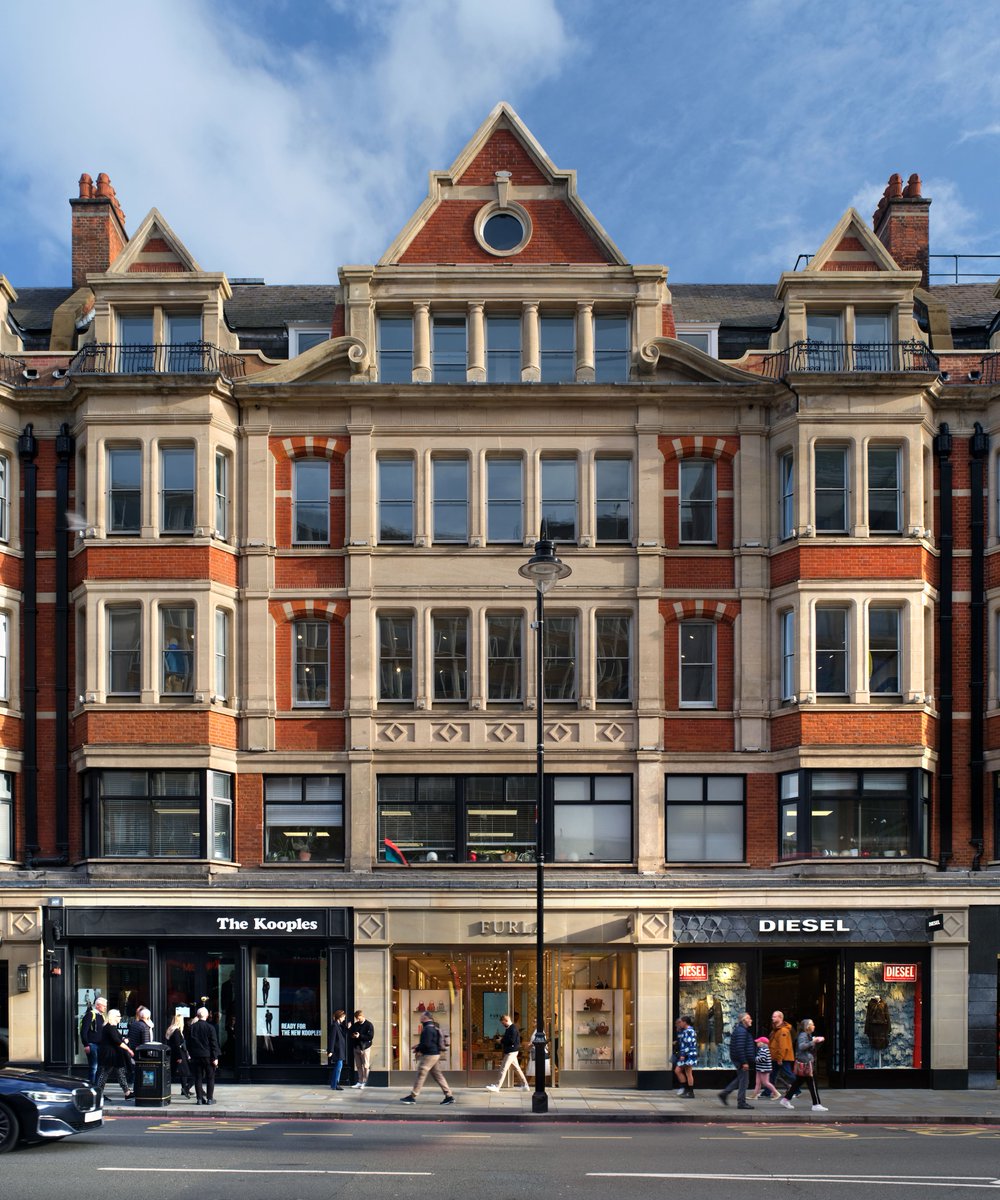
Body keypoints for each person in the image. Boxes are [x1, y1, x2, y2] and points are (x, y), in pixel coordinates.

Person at [400, 1011, 454, 1105]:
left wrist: (418, 1049)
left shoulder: (427, 1029)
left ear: (425, 1018)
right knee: (438, 1075)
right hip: (435, 1054)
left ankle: (412, 1096)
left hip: (429, 1055)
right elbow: (430, 1042)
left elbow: (427, 1044)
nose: (420, 1018)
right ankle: (449, 1096)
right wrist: (418, 1046)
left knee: (421, 1073)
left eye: (421, 1016)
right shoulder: (433, 1027)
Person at [780, 1018, 828, 1112]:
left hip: (806, 1062)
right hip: (806, 1063)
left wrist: (818, 1041)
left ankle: (785, 1100)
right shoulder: (803, 1035)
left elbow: (811, 1048)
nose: (814, 1026)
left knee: (798, 1083)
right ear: (807, 1026)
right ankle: (816, 1104)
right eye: (812, 1024)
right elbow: (801, 1046)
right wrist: (814, 1041)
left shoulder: (807, 1035)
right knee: (812, 1084)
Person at [94, 1008, 134, 1102]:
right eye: (119, 1016)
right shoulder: (109, 1027)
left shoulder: (111, 1027)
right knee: (104, 1074)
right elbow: (116, 1041)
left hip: (115, 1055)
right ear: (113, 1017)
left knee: (120, 1073)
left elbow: (117, 1038)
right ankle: (98, 1094)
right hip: (109, 1055)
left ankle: (127, 1093)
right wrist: (129, 1049)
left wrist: (123, 1039)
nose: (120, 1018)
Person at [718, 1011, 755, 1109]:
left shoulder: (741, 1030)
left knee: (741, 1079)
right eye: (749, 1018)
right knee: (744, 1082)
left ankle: (724, 1094)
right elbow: (740, 1048)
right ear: (744, 1020)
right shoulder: (741, 1031)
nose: (751, 1020)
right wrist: (744, 1062)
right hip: (741, 1060)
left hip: (740, 1059)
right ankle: (741, 1102)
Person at [486, 1013, 530, 1093]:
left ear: (506, 1020)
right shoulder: (510, 1028)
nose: (503, 1025)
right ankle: (525, 1085)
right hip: (512, 1051)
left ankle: (497, 1086)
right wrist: (502, 1039)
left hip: (511, 1052)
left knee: (503, 1068)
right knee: (517, 1069)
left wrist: (501, 1040)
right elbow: (509, 1039)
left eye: (503, 1023)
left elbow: (511, 1040)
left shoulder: (512, 1028)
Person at [187, 1005, 221, 1105]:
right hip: (208, 1056)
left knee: (198, 1077)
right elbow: (214, 1043)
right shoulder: (210, 1028)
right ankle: (210, 1099)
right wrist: (215, 1057)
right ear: (206, 1016)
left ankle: (199, 1099)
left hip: (196, 1056)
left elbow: (188, 1043)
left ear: (197, 1016)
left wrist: (191, 1054)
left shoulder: (192, 1027)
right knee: (210, 1077)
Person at [164, 1013, 193, 1098]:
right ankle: (184, 1089)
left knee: (176, 1072)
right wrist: (179, 1057)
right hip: (179, 1054)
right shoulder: (176, 1031)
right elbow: (177, 1045)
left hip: (175, 1054)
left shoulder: (171, 1030)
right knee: (184, 1072)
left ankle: (184, 1089)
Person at [80, 995, 107, 1087]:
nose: (105, 1007)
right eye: (104, 1006)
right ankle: (91, 1088)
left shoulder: (102, 1016)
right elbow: (83, 1031)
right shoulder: (90, 1015)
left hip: (100, 1046)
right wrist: (86, 1044)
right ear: (98, 1005)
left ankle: (97, 1087)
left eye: (105, 1006)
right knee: (93, 1067)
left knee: (99, 1068)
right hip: (92, 1045)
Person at [768, 1010, 796, 1092]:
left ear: (780, 1018)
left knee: (789, 1074)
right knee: (772, 1075)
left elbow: (783, 1046)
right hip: (776, 1057)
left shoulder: (783, 1030)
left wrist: (780, 1058)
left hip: (782, 1057)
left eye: (774, 1016)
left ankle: (797, 1090)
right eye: (772, 1016)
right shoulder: (776, 1029)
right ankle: (767, 1092)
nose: (772, 1018)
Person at [673, 1014, 697, 1098]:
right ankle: (688, 1090)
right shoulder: (685, 1030)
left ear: (685, 1022)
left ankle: (689, 1091)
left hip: (688, 1055)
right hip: (687, 1054)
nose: (681, 1023)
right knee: (685, 1072)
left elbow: (688, 1044)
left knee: (686, 1072)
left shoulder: (689, 1031)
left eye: (682, 1022)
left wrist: (683, 1054)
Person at [350, 1009, 375, 1090]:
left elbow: (370, 1037)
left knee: (366, 1065)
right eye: (356, 1018)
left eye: (358, 1018)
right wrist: (353, 1034)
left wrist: (359, 1036)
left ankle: (364, 1082)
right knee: (358, 1065)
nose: (357, 1020)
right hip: (356, 1047)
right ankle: (360, 1081)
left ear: (362, 1016)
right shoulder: (355, 1025)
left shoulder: (369, 1025)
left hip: (365, 1047)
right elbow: (351, 1033)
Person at [751, 1036, 780, 1100]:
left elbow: (762, 1059)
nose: (757, 1043)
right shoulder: (763, 1049)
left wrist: (754, 1059)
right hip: (760, 1068)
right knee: (758, 1082)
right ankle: (754, 1095)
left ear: (762, 1043)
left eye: (758, 1042)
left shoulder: (764, 1050)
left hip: (764, 1069)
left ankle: (776, 1093)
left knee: (766, 1082)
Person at [328, 1009, 348, 1090]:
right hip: (337, 1050)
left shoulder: (339, 1025)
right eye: (343, 1017)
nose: (344, 1019)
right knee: (338, 1068)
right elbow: (332, 1039)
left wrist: (347, 1028)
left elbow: (343, 1035)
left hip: (340, 1050)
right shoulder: (335, 1026)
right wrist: (331, 1050)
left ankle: (334, 1084)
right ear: (339, 1017)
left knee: (338, 1067)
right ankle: (335, 1084)